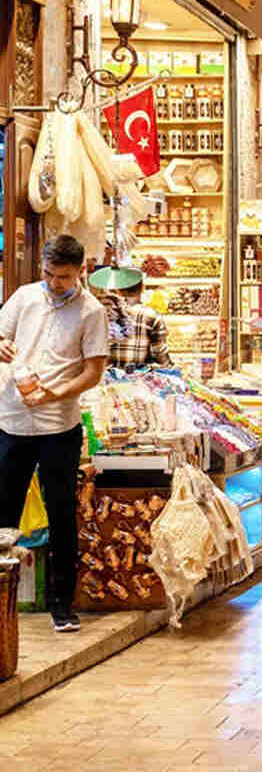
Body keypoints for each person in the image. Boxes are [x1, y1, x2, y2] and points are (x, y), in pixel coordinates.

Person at [0, 235, 109, 633]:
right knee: (3, 509)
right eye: (48, 273)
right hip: (11, 417)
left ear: (80, 270)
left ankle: (61, 604)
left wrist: (55, 393)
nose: (54, 282)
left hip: (59, 425)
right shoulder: (25, 297)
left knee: (61, 512)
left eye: (62, 276)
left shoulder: (91, 312)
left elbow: (93, 371)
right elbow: (0, 335)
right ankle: (3, 599)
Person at [91, 267, 172, 370]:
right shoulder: (152, 316)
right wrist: (171, 367)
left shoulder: (101, 313)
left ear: (118, 290)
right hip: (137, 378)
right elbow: (160, 354)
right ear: (143, 288)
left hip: (105, 377)